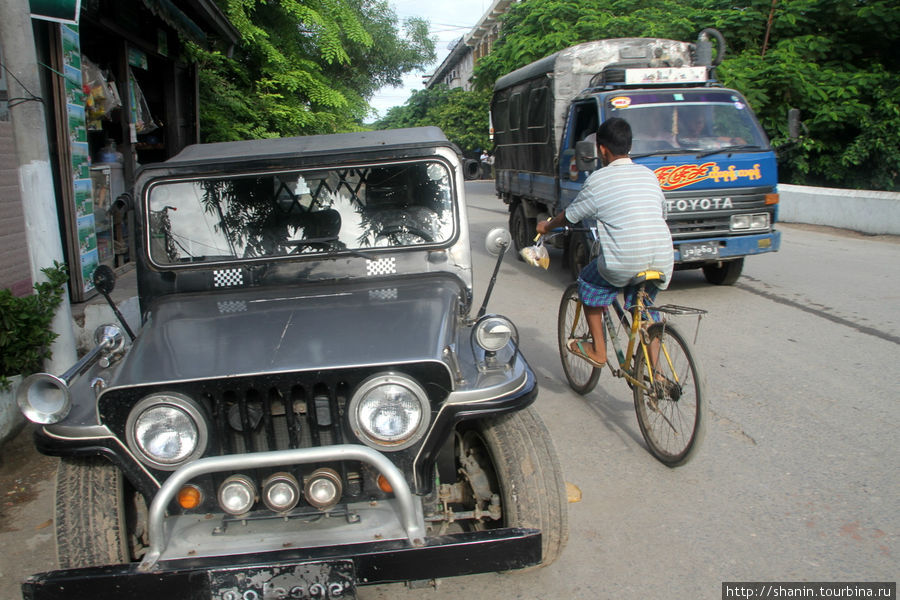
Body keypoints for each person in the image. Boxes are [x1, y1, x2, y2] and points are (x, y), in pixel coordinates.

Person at [536, 117, 673, 367]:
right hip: (662, 257)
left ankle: (599, 351)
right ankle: (657, 375)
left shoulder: (598, 180)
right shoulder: (648, 175)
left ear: (601, 149)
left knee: (588, 283)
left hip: (625, 260)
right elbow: (662, 213)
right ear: (629, 146)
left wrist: (547, 226)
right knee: (644, 311)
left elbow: (571, 214)